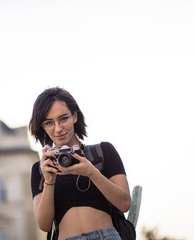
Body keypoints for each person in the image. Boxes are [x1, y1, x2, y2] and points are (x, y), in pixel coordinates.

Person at [29, 87, 131, 240]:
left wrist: (91, 172)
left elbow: (124, 203)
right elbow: (44, 225)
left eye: (63, 118)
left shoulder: (103, 152)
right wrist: (49, 182)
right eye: (49, 122)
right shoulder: (41, 168)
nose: (58, 128)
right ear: (43, 126)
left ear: (74, 116)